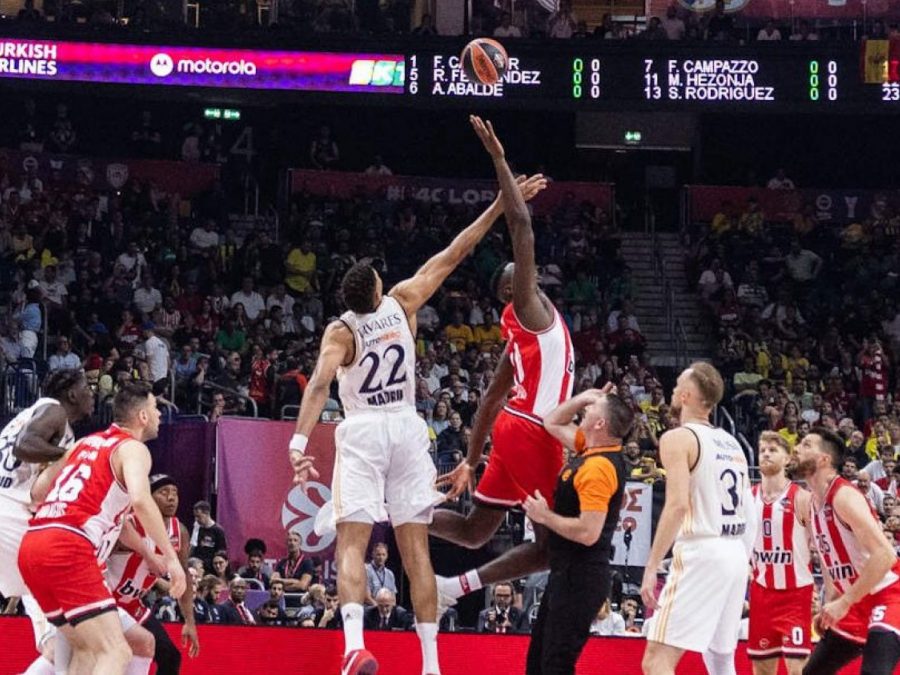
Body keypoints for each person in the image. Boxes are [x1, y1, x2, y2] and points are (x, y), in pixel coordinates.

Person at [287, 158, 547, 675]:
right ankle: (430, 664)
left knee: (352, 543)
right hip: (408, 428)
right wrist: (501, 204)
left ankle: (354, 647)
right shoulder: (403, 301)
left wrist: (298, 444)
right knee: (416, 551)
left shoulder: (340, 331)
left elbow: (317, 384)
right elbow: (456, 250)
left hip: (363, 429)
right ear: (377, 290)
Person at [431, 117, 574, 615]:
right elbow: (522, 227)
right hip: (533, 431)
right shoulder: (528, 310)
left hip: (513, 427)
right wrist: (499, 159)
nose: (530, 273)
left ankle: (388, 510)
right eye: (521, 275)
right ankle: (456, 588)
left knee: (475, 530)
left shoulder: (521, 337)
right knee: (552, 546)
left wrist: (471, 461)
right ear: (511, 290)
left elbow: (491, 399)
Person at [18, 382, 186, 675]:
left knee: (86, 653)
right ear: (142, 416)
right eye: (155, 408)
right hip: (70, 546)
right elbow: (141, 500)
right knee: (116, 652)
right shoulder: (132, 448)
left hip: (33, 545)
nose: (160, 414)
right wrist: (172, 559)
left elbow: (38, 491)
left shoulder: (84, 443)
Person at [641, 363, 757, 675]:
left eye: (678, 384)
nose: (673, 389)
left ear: (687, 396)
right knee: (720, 658)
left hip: (702, 551)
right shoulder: (732, 442)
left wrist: (652, 565)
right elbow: (749, 510)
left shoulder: (678, 438)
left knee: (656, 660)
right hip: (734, 552)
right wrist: (744, 561)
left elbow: (677, 505)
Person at [523, 387, 634, 673]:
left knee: (556, 665)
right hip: (566, 573)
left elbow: (588, 532)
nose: (586, 408)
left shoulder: (599, 467)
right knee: (538, 663)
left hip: (581, 576)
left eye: (593, 407)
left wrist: (544, 516)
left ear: (600, 423)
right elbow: (552, 422)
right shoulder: (590, 448)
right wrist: (584, 397)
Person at [0, 370, 94, 675]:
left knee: (54, 623)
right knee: (69, 617)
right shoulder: (54, 409)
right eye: (86, 387)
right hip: (10, 511)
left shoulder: (42, 414)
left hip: (12, 514)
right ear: (71, 394)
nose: (91, 393)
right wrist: (73, 455)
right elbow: (24, 445)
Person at [796, 428, 900, 675]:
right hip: (855, 599)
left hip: (889, 594)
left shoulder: (843, 496)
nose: (797, 449)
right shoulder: (812, 503)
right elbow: (831, 559)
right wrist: (831, 602)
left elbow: (885, 555)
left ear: (824, 459)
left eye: (806, 445)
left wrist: (844, 602)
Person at [105, 474, 200, 675]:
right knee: (113, 656)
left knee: (170, 657)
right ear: (148, 497)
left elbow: (184, 574)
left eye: (175, 492)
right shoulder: (130, 524)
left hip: (133, 605)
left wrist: (189, 622)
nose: (171, 498)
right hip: (107, 600)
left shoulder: (179, 531)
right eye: (163, 492)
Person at [748, 432, 813, 674]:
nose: (765, 454)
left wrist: (830, 592)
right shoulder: (747, 498)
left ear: (787, 459)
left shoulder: (801, 498)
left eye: (773, 450)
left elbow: (821, 546)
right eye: (762, 450)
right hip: (761, 594)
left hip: (796, 594)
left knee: (798, 669)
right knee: (762, 668)